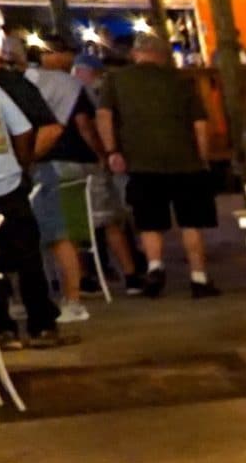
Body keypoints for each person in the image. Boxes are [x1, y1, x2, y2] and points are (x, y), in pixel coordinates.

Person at [0, 35, 65, 347]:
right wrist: (18, 165)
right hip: (6, 181)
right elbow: (23, 129)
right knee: (27, 254)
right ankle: (42, 325)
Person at [96, 37, 218, 298]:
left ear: (136, 53)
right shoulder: (181, 81)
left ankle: (155, 267)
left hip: (140, 161)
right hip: (186, 161)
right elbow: (200, 124)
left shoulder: (117, 80)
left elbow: (104, 116)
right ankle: (198, 277)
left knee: (149, 220)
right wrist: (203, 157)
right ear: (163, 56)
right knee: (191, 222)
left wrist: (112, 150)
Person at [26, 43, 119, 322]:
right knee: (83, 225)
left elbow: (80, 124)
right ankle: (93, 280)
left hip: (49, 166)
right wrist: (101, 153)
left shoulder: (43, 87)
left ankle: (75, 292)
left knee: (58, 232)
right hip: (73, 163)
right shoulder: (70, 86)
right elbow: (83, 124)